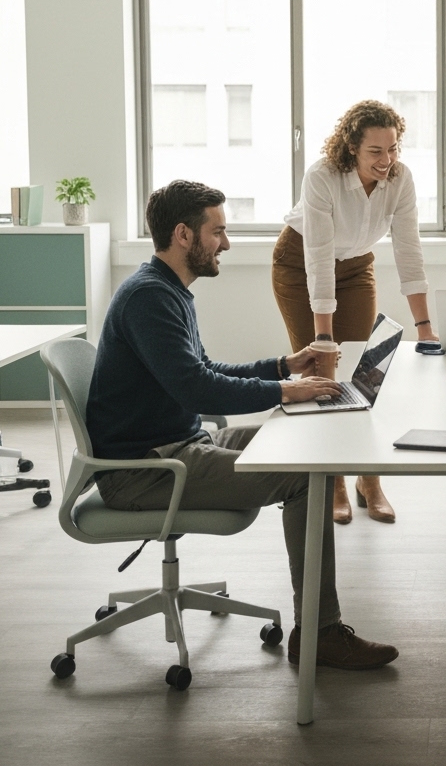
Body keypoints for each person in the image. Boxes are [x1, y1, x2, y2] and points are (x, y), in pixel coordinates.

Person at [87, 180, 398, 670]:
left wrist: (282, 366)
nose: (227, 243)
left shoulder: (167, 290)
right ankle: (320, 634)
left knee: (304, 444)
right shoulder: (150, 299)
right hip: (147, 469)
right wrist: (283, 391)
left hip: (180, 443)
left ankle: (321, 628)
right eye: (219, 231)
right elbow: (198, 389)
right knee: (304, 478)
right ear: (185, 235)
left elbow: (204, 371)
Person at [272, 100, 438, 526]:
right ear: (352, 147)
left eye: (393, 149)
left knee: (366, 376)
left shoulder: (400, 179)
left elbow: (408, 250)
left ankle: (370, 479)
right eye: (375, 152)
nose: (387, 161)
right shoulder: (323, 176)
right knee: (322, 376)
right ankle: (334, 482)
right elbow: (319, 257)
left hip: (357, 266)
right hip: (299, 264)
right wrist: (324, 337)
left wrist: (425, 327)